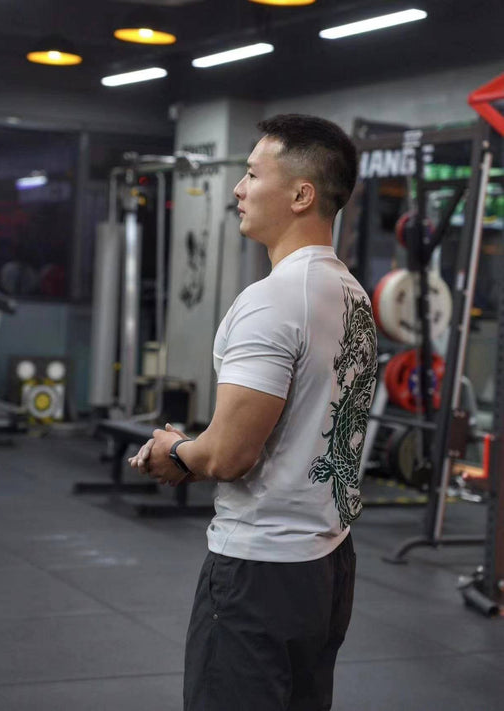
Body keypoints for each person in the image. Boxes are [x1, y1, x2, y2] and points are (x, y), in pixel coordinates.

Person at [129, 113, 377, 711]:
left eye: (250, 174)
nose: (238, 190)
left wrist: (176, 453)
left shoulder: (271, 302)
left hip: (260, 568)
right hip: (327, 560)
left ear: (300, 194)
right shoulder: (352, 293)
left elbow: (229, 455)